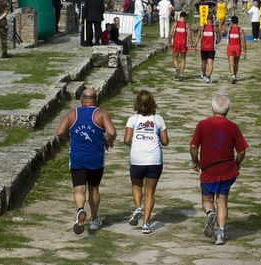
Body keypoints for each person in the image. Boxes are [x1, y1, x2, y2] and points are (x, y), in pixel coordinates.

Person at [56, 88, 117, 234]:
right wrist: (109, 141)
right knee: (93, 188)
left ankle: (80, 210)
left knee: (79, 188)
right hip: (95, 157)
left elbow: (59, 132)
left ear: (82, 100)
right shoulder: (101, 113)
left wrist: (70, 140)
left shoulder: (73, 113)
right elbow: (112, 132)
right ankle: (94, 220)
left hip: (77, 157)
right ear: (96, 100)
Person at [190, 95, 248, 245]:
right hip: (227, 170)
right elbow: (241, 151)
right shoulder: (233, 127)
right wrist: (237, 163)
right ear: (227, 110)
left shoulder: (203, 125)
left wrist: (195, 161)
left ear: (212, 108)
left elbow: (194, 146)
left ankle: (210, 213)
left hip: (209, 170)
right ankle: (220, 234)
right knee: (222, 201)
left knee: (207, 199)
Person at [124, 90, 169, 234]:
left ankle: (138, 207)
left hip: (137, 158)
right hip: (154, 159)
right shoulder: (158, 119)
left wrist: (138, 139)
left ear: (137, 103)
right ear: (152, 103)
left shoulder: (132, 119)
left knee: (136, 185)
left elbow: (126, 140)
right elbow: (165, 141)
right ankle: (146, 224)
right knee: (150, 192)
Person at [194, 14, 221, 84]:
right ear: (213, 20)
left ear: (206, 19)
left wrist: (195, 45)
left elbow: (197, 37)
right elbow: (219, 39)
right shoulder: (215, 28)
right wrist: (215, 43)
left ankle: (204, 74)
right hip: (211, 48)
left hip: (203, 47)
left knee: (203, 62)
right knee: (210, 63)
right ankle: (209, 77)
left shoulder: (202, 28)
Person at [169, 11, 193, 81]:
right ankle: (181, 75)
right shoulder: (186, 25)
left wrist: (169, 41)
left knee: (174, 58)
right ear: (185, 17)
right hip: (183, 43)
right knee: (183, 59)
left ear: (179, 17)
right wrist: (191, 44)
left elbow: (170, 33)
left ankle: (177, 68)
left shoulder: (175, 24)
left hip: (176, 43)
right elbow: (189, 35)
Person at [226, 15, 247, 84]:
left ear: (231, 22)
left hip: (230, 47)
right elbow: (243, 41)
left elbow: (222, 30)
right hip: (238, 47)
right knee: (236, 63)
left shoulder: (229, 29)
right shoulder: (240, 30)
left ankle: (233, 75)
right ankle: (234, 75)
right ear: (238, 21)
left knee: (231, 63)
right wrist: (245, 51)